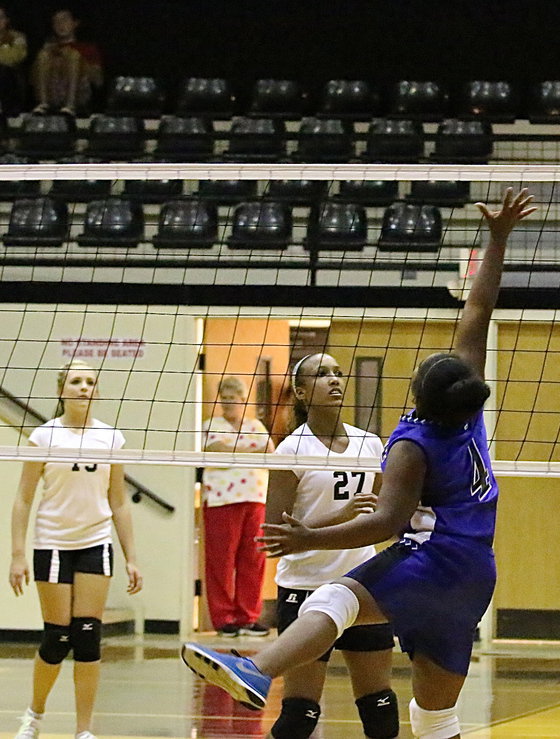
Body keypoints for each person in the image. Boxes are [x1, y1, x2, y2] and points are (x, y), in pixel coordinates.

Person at [181, 187, 537, 739]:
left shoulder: (409, 444)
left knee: (334, 597)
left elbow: (386, 523)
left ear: (419, 391)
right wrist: (497, 239)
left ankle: (255, 668)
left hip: (432, 559)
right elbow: (478, 311)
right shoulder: (467, 418)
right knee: (434, 717)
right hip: (475, 575)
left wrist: (307, 541)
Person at [8, 360, 143, 739]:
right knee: (57, 639)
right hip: (51, 543)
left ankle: (84, 730)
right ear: (61, 390)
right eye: (76, 381)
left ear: (96, 391)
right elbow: (22, 499)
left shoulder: (111, 438)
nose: (84, 387)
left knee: (87, 635)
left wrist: (133, 557)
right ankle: (34, 715)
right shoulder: (43, 437)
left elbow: (119, 502)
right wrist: (18, 555)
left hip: (94, 543)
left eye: (90, 382)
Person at [265, 352, 397, 739]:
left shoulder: (370, 445)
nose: (335, 380)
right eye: (322, 375)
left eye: (338, 373)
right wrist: (340, 517)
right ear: (302, 392)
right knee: (299, 716)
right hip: (306, 591)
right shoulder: (291, 451)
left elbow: (380, 522)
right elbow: (275, 536)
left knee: (380, 711)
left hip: (360, 588)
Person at [201, 375, 273, 638]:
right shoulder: (210, 425)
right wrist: (247, 452)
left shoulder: (256, 426)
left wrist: (232, 452)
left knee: (254, 559)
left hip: (255, 497)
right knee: (221, 559)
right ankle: (223, 617)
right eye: (226, 399)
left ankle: (248, 616)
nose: (230, 404)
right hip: (221, 500)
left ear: (244, 401)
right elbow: (214, 451)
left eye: (235, 399)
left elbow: (269, 451)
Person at [31, 8, 102, 115]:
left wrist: (80, 61)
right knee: (43, 55)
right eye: (56, 21)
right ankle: (43, 104)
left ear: (75, 23)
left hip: (80, 96)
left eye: (65, 20)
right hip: (52, 94)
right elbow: (32, 80)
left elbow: (98, 81)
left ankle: (70, 106)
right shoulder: (47, 49)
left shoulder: (87, 48)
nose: (60, 25)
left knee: (73, 56)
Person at [0, 7, 28, 113]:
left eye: (0, 17)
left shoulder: (17, 37)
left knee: (3, 69)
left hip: (10, 81)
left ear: (7, 20)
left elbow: (14, 57)